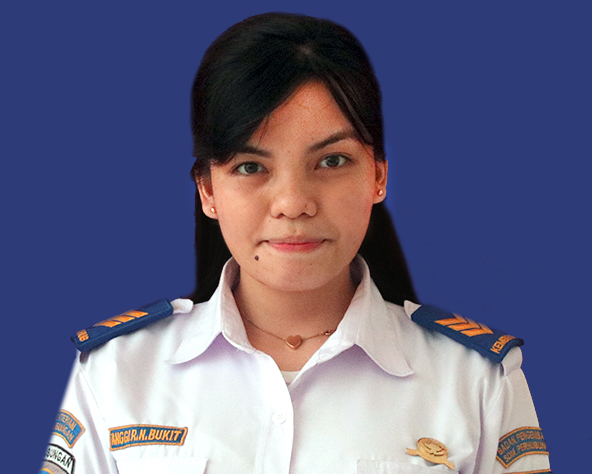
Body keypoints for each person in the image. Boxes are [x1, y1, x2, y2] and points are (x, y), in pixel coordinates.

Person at [41, 12, 551, 474]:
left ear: (378, 176)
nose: (292, 203)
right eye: (250, 167)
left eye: (331, 161)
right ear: (207, 191)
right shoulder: (116, 374)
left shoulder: (478, 382)